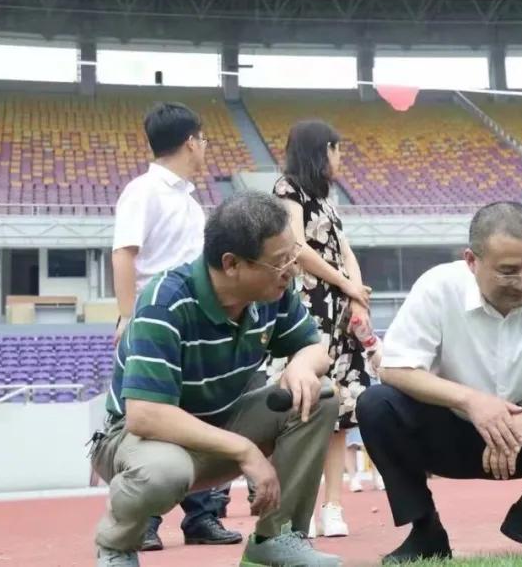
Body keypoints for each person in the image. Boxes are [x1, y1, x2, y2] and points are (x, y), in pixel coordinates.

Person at [356, 202, 522, 563]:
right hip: (451, 434)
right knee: (376, 405)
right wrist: (472, 402)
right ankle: (426, 530)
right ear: (472, 261)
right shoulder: (438, 286)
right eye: (507, 272)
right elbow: (394, 368)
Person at [89, 191, 341, 567]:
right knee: (164, 471)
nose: (292, 269)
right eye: (280, 261)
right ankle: (116, 546)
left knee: (319, 395)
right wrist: (245, 450)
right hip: (136, 439)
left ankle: (277, 537)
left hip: (218, 423)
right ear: (232, 264)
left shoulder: (273, 292)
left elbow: (315, 347)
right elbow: (145, 415)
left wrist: (303, 365)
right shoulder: (166, 300)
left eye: (293, 255)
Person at [110, 102, 239, 550]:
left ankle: (203, 517)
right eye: (203, 140)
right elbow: (124, 253)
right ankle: (142, 518)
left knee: (203, 412)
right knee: (152, 418)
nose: (205, 148)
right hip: (155, 318)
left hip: (195, 318)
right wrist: (129, 314)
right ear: (190, 141)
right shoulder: (142, 191)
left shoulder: (188, 197)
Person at [269, 120, 372, 538]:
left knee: (339, 414)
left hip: (340, 314)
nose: (340, 158)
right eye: (337, 149)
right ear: (321, 150)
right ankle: (300, 507)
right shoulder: (286, 191)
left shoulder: (326, 200)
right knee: (304, 408)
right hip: (307, 312)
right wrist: (343, 283)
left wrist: (356, 295)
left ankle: (333, 506)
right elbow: (296, 246)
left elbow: (345, 249)